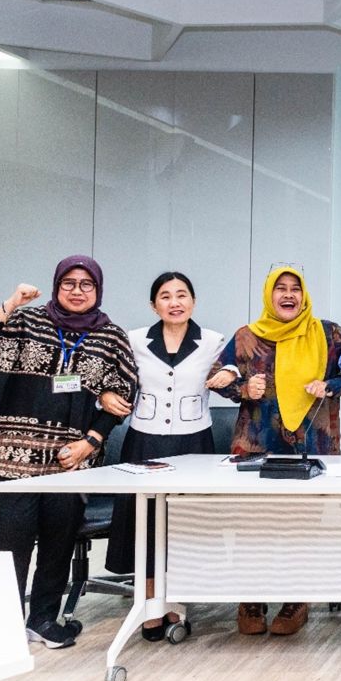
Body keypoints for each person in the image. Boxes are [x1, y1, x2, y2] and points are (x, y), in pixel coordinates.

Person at [0, 255, 138, 649]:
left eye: (86, 284)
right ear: (57, 285)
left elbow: (125, 394)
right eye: (69, 283)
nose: (78, 291)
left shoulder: (109, 336)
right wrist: (9, 304)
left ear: (98, 289)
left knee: (59, 544)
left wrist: (91, 441)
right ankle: (4, 626)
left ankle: (43, 619)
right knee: (12, 546)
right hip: (10, 457)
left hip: (69, 462)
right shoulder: (23, 322)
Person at [209, 265, 341, 637]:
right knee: (253, 524)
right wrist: (240, 389)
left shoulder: (326, 333)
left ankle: (296, 599)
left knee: (301, 523)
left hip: (311, 442)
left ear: (304, 295)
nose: (288, 295)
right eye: (280, 288)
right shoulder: (247, 336)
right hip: (257, 442)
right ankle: (250, 599)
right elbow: (220, 374)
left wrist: (332, 382)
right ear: (269, 294)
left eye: (295, 289)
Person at [103, 271, 231, 641]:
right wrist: (105, 397)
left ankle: (178, 605)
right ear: (153, 305)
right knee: (143, 523)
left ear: (193, 301)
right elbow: (113, 379)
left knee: (185, 524)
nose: (174, 302)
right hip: (145, 441)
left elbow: (234, 371)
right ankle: (147, 606)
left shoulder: (212, 341)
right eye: (165, 296)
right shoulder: (134, 340)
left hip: (194, 442)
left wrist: (230, 375)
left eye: (181, 295)